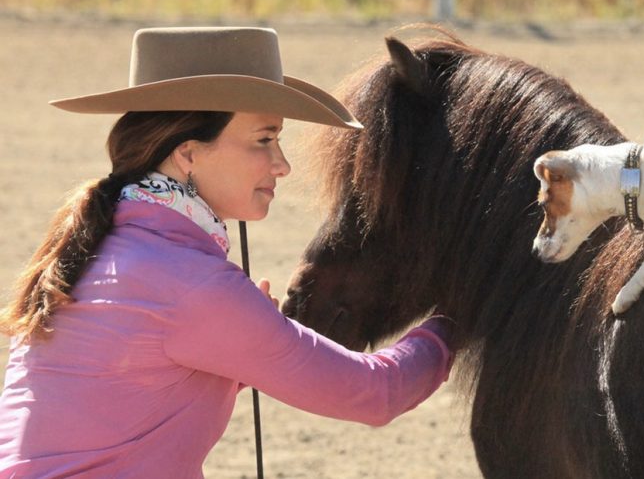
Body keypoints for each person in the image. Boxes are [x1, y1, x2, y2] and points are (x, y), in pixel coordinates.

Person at [0, 27, 455, 478]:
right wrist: (459, 315)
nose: (282, 165)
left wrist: (247, 347)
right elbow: (376, 393)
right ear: (188, 154)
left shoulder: (103, 249)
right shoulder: (188, 283)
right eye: (263, 139)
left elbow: (126, 397)